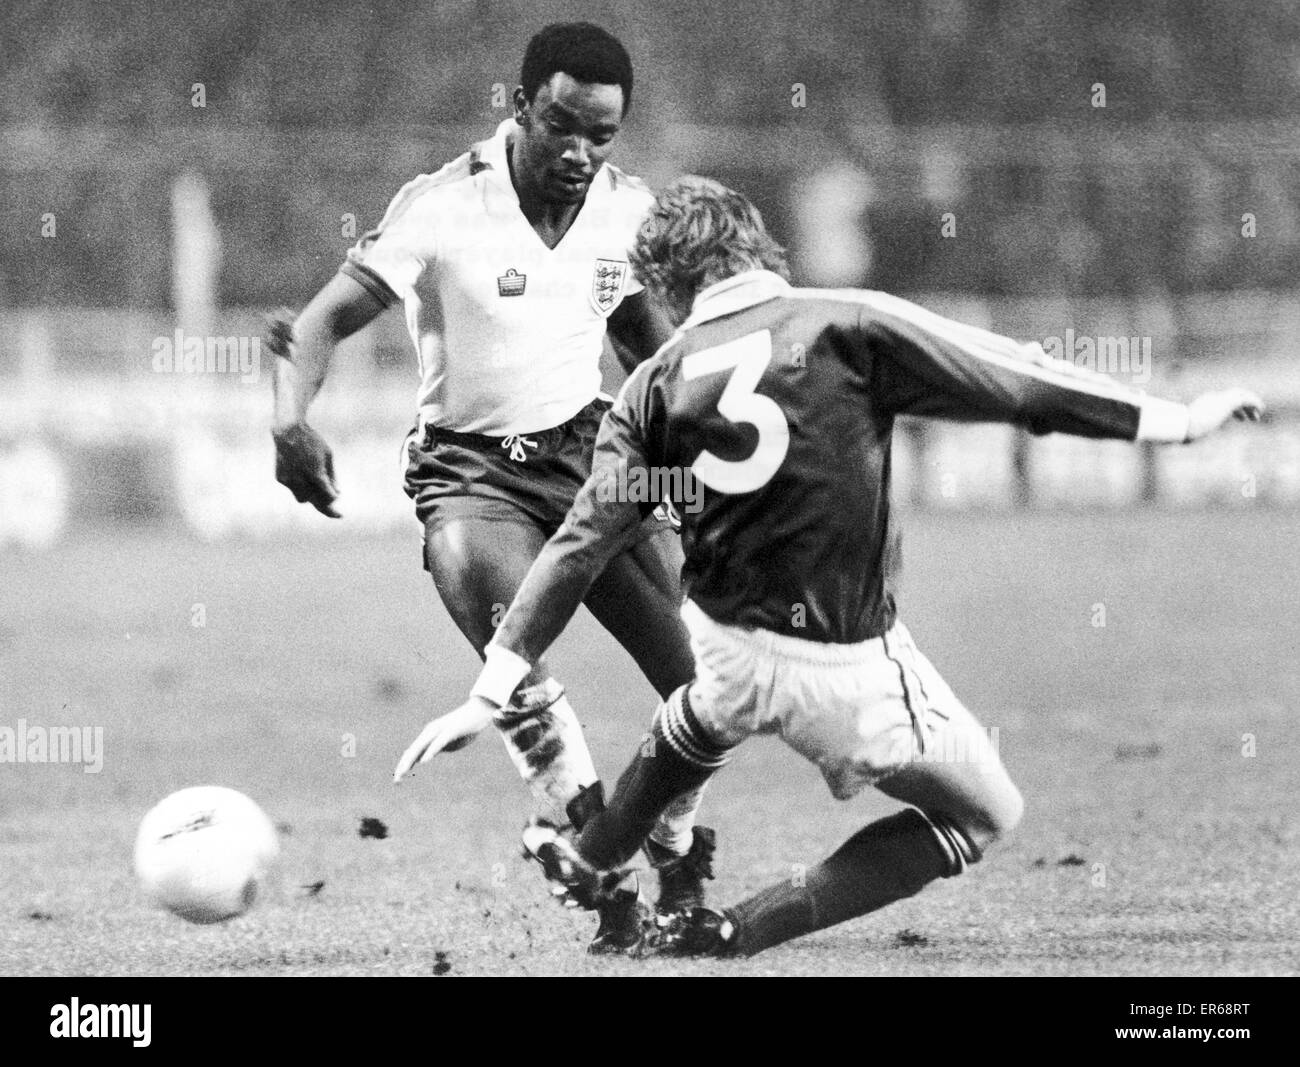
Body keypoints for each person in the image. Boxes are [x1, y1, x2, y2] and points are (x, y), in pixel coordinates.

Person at [402, 175, 1265, 958]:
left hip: (727, 653)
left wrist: (495, 683)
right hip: (846, 672)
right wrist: (1176, 423)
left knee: (704, 711)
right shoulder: (844, 325)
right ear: (756, 242)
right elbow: (1020, 385)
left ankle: (591, 854)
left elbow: (583, 538)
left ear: (666, 285)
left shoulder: (650, 385)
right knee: (986, 814)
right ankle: (734, 929)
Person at [271, 23, 715, 954]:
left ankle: (677, 859)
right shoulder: (441, 207)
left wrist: (701, 455)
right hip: (472, 471)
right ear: (519, 107)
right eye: (561, 125)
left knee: (700, 681)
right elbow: (318, 324)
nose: (579, 153)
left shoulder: (624, 213)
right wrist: (287, 417)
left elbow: (650, 345)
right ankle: (609, 891)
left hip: (597, 455)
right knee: (511, 651)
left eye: (601, 136)